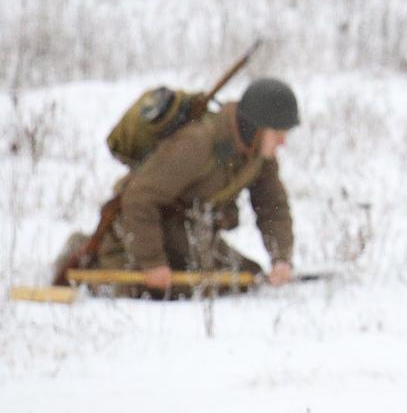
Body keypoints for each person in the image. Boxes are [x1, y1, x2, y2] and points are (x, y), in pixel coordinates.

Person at [61, 77, 301, 285]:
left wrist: (281, 259)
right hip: (140, 230)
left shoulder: (259, 155)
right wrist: (153, 263)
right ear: (255, 127)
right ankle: (85, 252)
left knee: (245, 278)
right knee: (144, 288)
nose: (283, 142)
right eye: (278, 133)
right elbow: (138, 198)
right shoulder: (196, 143)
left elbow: (272, 206)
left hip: (186, 236)